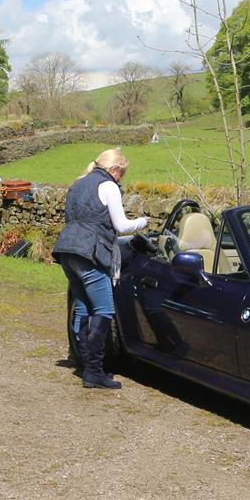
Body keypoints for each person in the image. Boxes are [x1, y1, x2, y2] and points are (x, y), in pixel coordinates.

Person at [51, 147, 148, 389]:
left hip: (67, 251)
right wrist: (143, 222)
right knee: (104, 310)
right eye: (122, 175)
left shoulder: (79, 184)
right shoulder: (108, 186)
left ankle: (84, 362)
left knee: (83, 307)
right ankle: (94, 371)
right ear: (115, 170)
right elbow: (122, 226)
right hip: (90, 253)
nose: (121, 179)